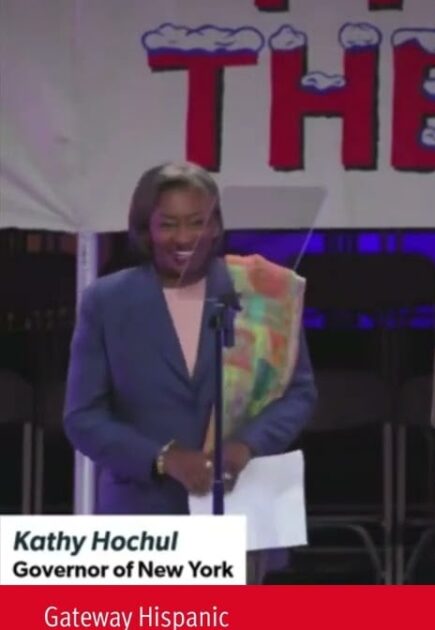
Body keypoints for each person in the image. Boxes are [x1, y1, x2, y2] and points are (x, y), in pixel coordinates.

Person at [63, 161, 317, 584]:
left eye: (197, 222)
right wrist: (163, 459)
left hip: (242, 512)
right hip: (140, 517)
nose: (184, 238)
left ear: (216, 226)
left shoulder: (263, 293)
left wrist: (246, 446)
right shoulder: (106, 301)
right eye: (169, 225)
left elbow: (299, 392)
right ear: (146, 228)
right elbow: (81, 416)